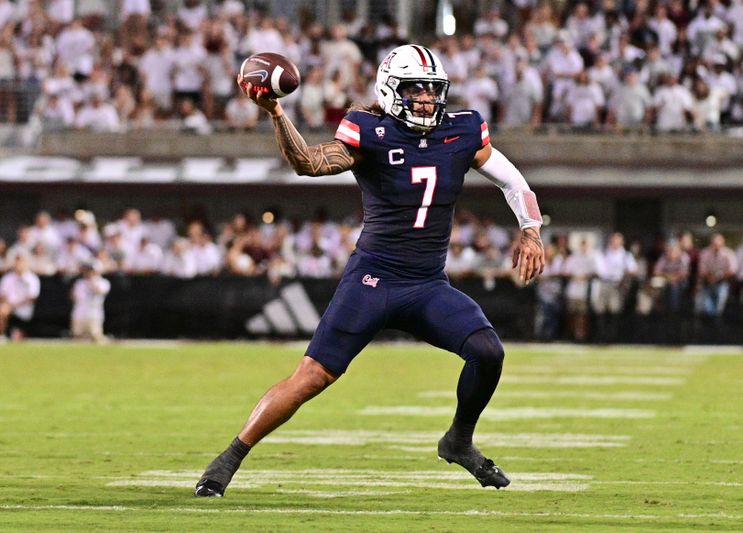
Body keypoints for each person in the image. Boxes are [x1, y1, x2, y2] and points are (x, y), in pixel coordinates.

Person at [195, 44, 546, 497]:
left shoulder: (462, 131)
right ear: (389, 90)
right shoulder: (370, 130)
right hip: (373, 281)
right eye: (415, 90)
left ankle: (459, 441)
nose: (424, 100)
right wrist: (277, 113)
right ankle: (228, 459)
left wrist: (531, 230)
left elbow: (513, 181)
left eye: (431, 91)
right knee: (311, 378)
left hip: (426, 286)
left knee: (488, 352)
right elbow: (308, 164)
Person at [0, 254, 41, 342]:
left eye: (21, 262)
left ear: (25, 263)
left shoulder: (32, 278)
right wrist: (9, 304)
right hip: (9, 307)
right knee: (3, 309)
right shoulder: (7, 278)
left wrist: (14, 304)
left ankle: (8, 334)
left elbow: (32, 298)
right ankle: (2, 335)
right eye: (17, 262)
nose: (18, 265)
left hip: (24, 309)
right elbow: (2, 296)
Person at [70, 261, 111, 343]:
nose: (89, 272)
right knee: (78, 336)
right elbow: (74, 297)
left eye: (91, 270)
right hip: (79, 312)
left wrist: (91, 281)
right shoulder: (80, 282)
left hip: (94, 313)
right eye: (88, 270)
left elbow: (99, 291)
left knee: (96, 336)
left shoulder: (103, 282)